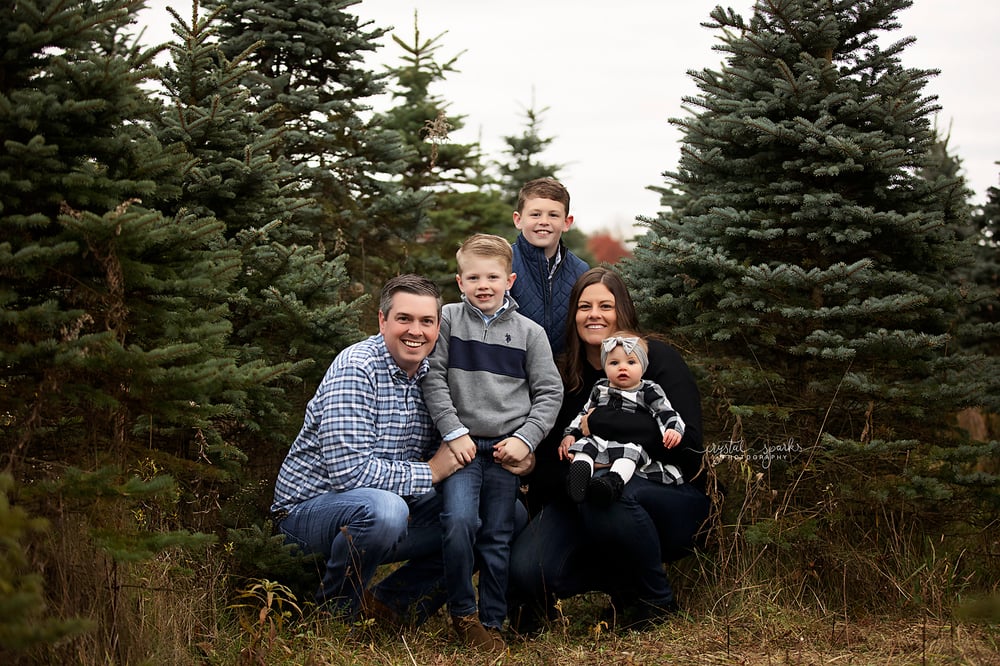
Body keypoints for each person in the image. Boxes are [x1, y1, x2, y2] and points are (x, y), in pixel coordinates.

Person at [509, 267, 711, 634]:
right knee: (527, 570)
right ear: (573, 316)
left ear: (624, 311)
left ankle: (656, 600)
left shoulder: (656, 360)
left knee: (609, 493)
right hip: (583, 499)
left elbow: (690, 448)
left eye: (606, 305)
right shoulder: (562, 373)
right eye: (584, 306)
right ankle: (622, 583)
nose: (594, 315)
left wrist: (600, 424)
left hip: (667, 494)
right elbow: (552, 462)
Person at [270, 275, 468, 626]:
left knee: (484, 512)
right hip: (306, 514)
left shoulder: (430, 376)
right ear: (382, 320)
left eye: (427, 321)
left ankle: (390, 605)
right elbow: (350, 473)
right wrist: (432, 472)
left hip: (385, 509)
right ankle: (333, 619)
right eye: (404, 319)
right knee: (385, 510)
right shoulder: (357, 369)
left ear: (438, 326)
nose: (415, 331)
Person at [423, 234, 562, 651]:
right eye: (473, 277)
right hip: (460, 450)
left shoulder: (529, 333)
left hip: (505, 452)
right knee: (460, 524)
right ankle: (463, 614)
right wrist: (453, 431)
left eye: (493, 277)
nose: (484, 285)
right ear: (460, 281)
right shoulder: (447, 320)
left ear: (510, 279)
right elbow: (433, 377)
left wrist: (526, 439)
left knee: (498, 536)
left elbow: (550, 393)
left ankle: (493, 621)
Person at [561, 332, 686, 506]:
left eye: (631, 362)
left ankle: (612, 483)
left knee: (628, 456)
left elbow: (665, 412)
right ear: (605, 366)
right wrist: (570, 434)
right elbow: (584, 413)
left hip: (628, 441)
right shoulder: (600, 388)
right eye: (614, 363)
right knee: (583, 448)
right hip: (598, 440)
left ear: (643, 365)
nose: (622, 367)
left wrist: (672, 429)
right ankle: (578, 479)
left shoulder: (648, 390)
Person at [510, 177, 589, 354]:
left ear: (566, 222)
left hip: (563, 373)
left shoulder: (580, 271)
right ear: (518, 219)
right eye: (535, 214)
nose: (544, 221)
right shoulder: (503, 263)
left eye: (553, 215)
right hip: (512, 372)